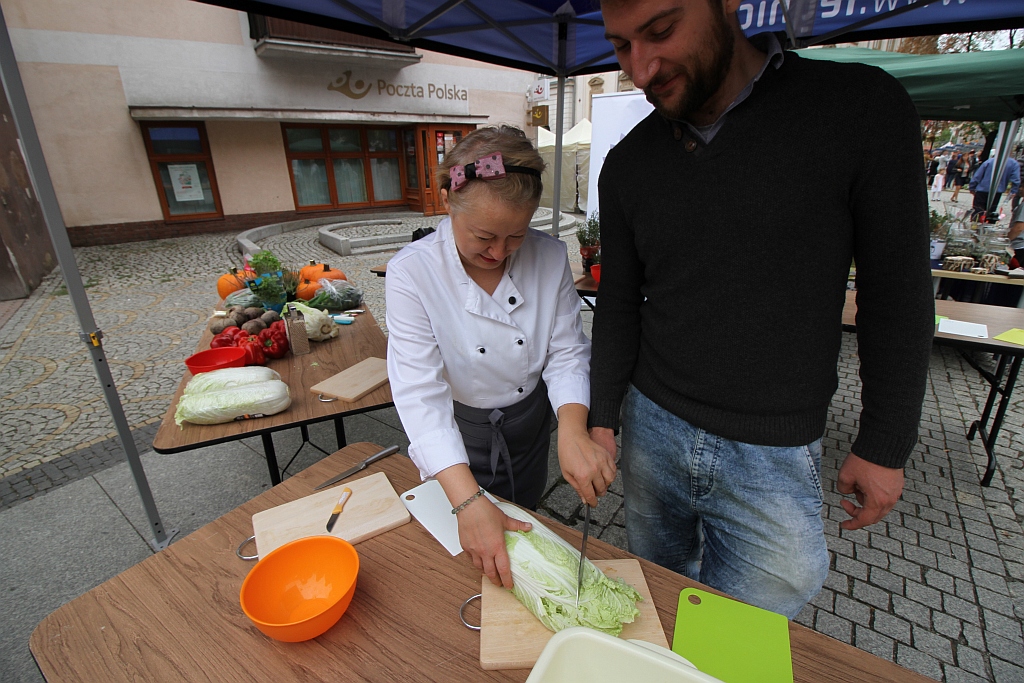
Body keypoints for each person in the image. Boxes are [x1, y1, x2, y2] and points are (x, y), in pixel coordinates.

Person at [592, 0, 933, 619]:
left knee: (746, 627)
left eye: (661, 31)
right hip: (651, 423)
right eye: (620, 46)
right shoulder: (628, 163)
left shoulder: (859, 108)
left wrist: (886, 441)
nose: (640, 70)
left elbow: (897, 290)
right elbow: (617, 304)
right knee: (656, 601)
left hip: (773, 446)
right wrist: (601, 418)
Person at [385, 125, 615, 589]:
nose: (498, 251)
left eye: (516, 236)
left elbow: (566, 351)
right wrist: (468, 502)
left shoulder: (549, 256)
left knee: (524, 518)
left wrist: (572, 430)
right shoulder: (412, 273)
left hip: (529, 423)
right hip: (459, 434)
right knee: (464, 548)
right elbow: (420, 395)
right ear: (447, 202)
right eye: (484, 236)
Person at [969, 154, 1021, 223]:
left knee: (978, 211)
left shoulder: (989, 161)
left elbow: (977, 176)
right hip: (997, 191)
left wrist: (972, 187)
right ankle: (987, 225)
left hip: (983, 189)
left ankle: (975, 225)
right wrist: (1013, 191)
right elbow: (1016, 179)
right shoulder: (1013, 163)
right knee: (991, 212)